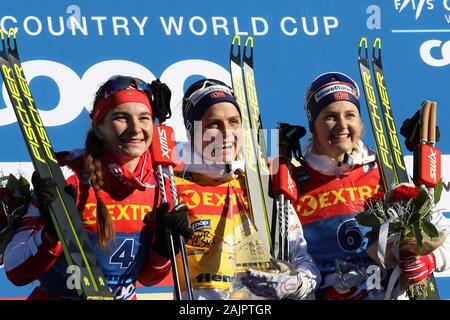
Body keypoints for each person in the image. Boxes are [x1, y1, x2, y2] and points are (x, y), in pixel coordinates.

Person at [2, 75, 192, 300]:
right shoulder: (67, 173)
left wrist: (163, 249)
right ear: (99, 128)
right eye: (121, 117)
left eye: (144, 118)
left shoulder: (161, 183)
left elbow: (149, 278)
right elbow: (16, 272)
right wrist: (52, 234)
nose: (135, 129)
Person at [290, 71, 450, 299]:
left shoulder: (386, 172)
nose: (342, 125)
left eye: (350, 115)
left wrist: (428, 259)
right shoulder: (294, 182)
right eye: (330, 116)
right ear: (313, 124)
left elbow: (444, 233)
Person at [174, 78, 320, 300]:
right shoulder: (175, 188)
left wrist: (293, 284)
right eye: (213, 124)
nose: (226, 132)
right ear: (193, 131)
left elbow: (305, 263)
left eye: (234, 122)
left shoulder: (263, 188)